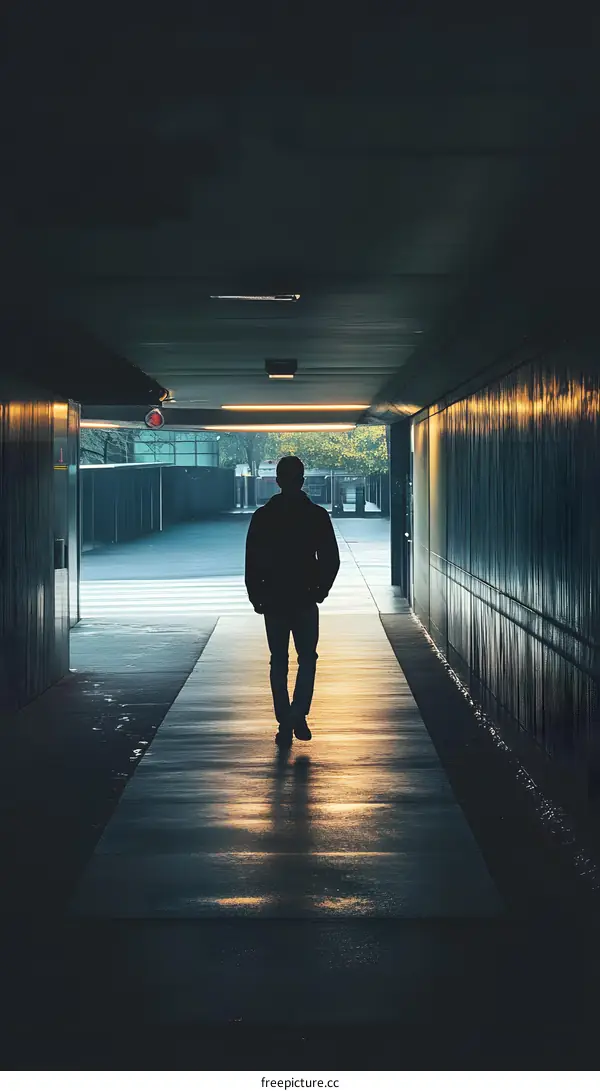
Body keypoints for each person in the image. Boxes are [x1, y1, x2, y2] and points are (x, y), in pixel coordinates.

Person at [245, 455, 340, 746]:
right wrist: (319, 590)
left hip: (273, 598)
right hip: (304, 598)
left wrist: (256, 596)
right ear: (302, 481)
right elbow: (330, 559)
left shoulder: (263, 516)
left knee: (279, 661)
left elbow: (252, 561)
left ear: (278, 481)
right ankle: (298, 713)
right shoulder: (315, 516)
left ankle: (285, 719)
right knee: (307, 658)